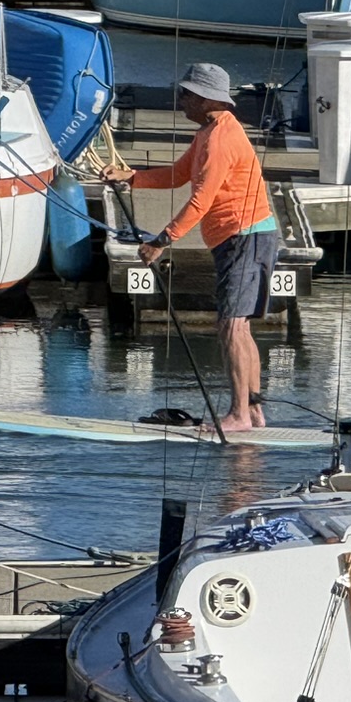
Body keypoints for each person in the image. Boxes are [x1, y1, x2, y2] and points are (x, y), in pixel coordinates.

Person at [105, 62, 279, 432]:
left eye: (185, 94)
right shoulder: (206, 133)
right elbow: (177, 175)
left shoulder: (220, 140)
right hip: (240, 237)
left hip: (245, 235)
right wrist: (131, 177)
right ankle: (253, 411)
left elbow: (200, 200)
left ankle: (239, 415)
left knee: (231, 326)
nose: (180, 100)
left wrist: (162, 242)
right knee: (239, 327)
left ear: (204, 98)